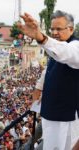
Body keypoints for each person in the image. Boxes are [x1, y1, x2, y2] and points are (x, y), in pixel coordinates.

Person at [17, 10, 79, 150]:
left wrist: (40, 37)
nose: (55, 32)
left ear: (71, 29)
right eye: (52, 29)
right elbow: (49, 68)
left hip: (66, 117)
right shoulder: (56, 46)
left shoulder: (75, 46)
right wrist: (39, 87)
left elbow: (65, 53)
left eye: (59, 29)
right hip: (50, 111)